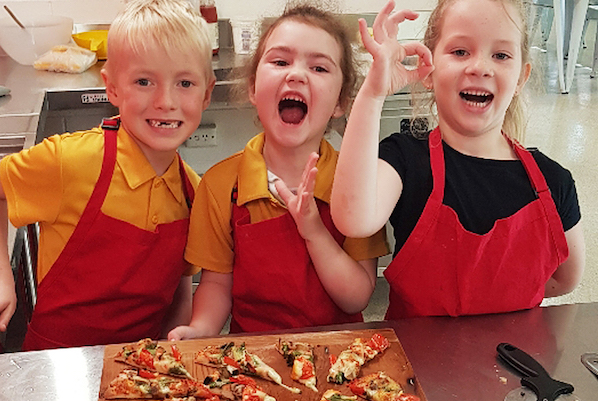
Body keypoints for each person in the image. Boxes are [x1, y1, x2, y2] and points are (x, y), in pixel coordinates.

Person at [331, 0, 585, 319]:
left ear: (521, 78)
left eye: (501, 55)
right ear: (428, 69)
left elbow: (566, 278)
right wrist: (373, 93)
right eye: (460, 52)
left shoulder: (554, 181)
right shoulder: (404, 158)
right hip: (415, 363)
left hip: (517, 364)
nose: (480, 67)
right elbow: (353, 219)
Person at [0, 0, 215, 350]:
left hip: (137, 373)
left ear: (207, 93)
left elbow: (180, 294)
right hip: (57, 366)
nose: (165, 101)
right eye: (144, 81)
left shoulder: (194, 192)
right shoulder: (73, 161)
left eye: (185, 83)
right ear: (112, 87)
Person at [168, 4, 389, 339]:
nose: (296, 74)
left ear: (341, 102)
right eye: (280, 61)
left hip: (341, 360)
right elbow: (216, 284)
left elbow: (356, 297)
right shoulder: (221, 186)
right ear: (254, 88)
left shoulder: (356, 185)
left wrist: (313, 231)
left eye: (318, 67)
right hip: (253, 363)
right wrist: (201, 329)